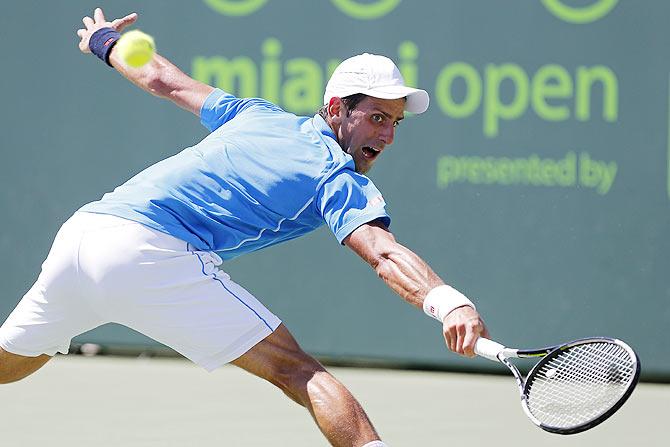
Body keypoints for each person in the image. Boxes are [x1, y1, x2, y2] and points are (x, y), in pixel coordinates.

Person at [0, 7, 489, 447]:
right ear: (337, 108)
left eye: (396, 122)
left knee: (12, 362)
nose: (386, 134)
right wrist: (447, 301)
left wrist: (105, 43)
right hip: (150, 253)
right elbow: (382, 253)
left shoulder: (257, 114)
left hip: (85, 233)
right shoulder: (333, 173)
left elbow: (165, 80)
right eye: (377, 116)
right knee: (299, 372)